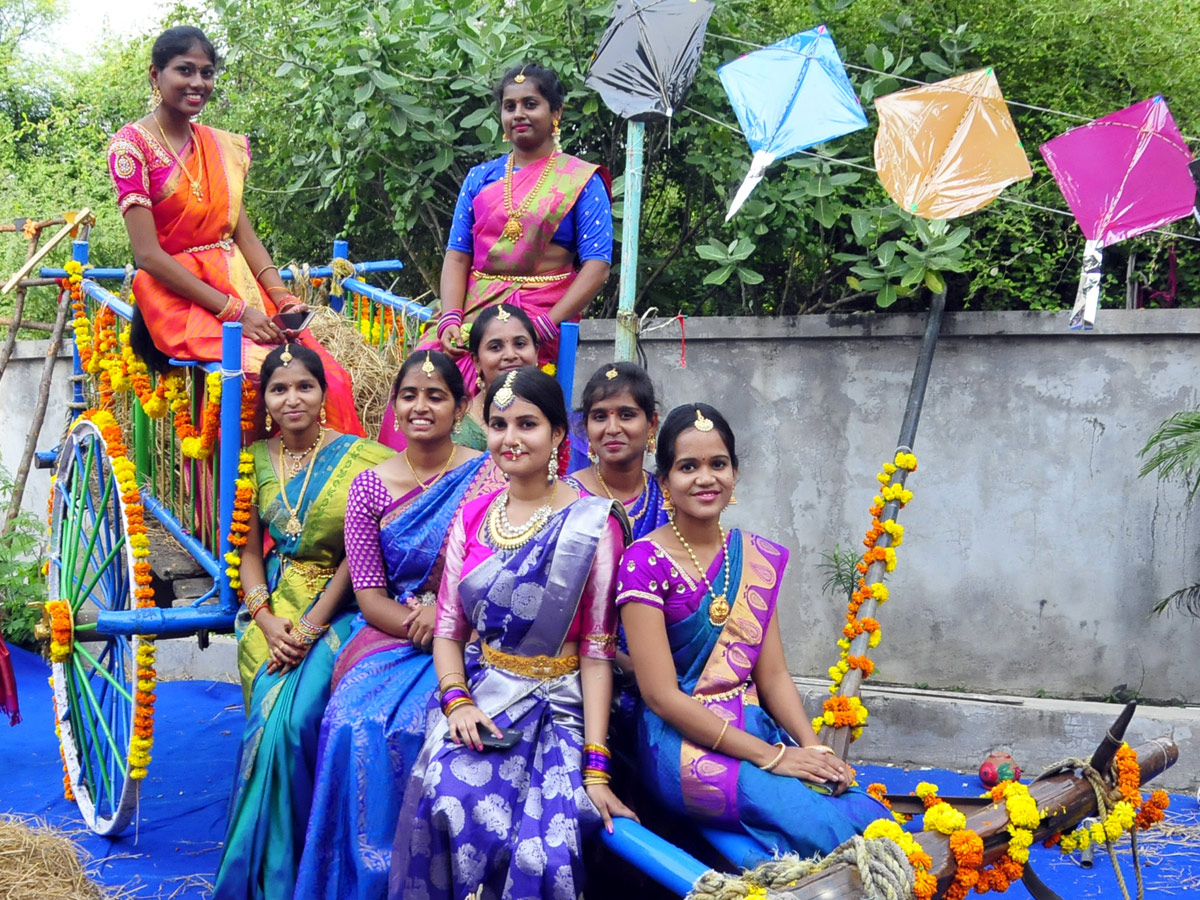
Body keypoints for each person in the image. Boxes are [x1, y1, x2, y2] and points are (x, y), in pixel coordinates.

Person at [389, 367, 636, 900]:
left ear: (557, 438)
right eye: (499, 424)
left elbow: (597, 653)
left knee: (545, 847)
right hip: (486, 693)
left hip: (562, 704)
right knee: (445, 794)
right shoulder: (474, 515)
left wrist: (596, 769)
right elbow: (450, 630)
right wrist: (456, 703)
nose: (510, 438)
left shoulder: (594, 522)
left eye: (527, 424)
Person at [617, 404, 887, 858]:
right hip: (678, 742)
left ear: (735, 475)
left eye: (717, 464)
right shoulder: (642, 562)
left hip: (751, 726)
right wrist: (774, 757)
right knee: (816, 824)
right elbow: (662, 695)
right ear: (664, 483)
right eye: (688, 467)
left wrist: (812, 747)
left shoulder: (753, 558)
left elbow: (773, 676)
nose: (706, 478)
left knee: (864, 814)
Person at [294, 351, 505, 900]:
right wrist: (425, 624)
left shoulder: (487, 474)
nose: (420, 406)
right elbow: (368, 595)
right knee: (349, 721)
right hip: (391, 633)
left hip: (473, 632)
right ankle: (359, 884)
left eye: (436, 396)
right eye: (409, 395)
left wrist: (450, 621)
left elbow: (495, 567)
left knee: (438, 726)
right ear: (395, 405)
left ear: (461, 408)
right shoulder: (368, 487)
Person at [107, 26, 361, 436]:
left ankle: (312, 486)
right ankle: (236, 493)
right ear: (156, 75)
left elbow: (244, 236)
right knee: (253, 380)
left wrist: (280, 297)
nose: (197, 83)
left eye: (206, 73)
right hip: (178, 296)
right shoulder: (130, 147)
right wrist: (236, 313)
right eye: (184, 70)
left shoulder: (220, 147)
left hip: (238, 283)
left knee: (322, 376)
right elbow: (147, 256)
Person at [213, 344, 391, 900]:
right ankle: (265, 866)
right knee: (268, 712)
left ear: (323, 394)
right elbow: (245, 547)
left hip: (343, 601)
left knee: (294, 723)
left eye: (304, 387)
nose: (292, 398)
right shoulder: (254, 457)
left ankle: (302, 862)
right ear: (265, 400)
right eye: (279, 388)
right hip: (272, 602)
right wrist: (264, 619)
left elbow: (357, 555)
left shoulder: (364, 457)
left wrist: (311, 626)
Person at [430, 63, 613, 391]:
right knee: (425, 378)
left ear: (555, 112)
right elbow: (457, 257)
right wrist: (451, 317)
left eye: (531, 104)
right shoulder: (480, 178)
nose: (519, 114)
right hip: (476, 309)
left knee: (523, 398)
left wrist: (547, 323)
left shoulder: (582, 180)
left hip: (542, 316)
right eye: (509, 106)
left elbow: (597, 267)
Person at [380, 303, 538, 451]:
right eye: (495, 347)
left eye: (520, 344)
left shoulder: (549, 408)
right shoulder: (462, 431)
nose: (510, 355)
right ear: (476, 361)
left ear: (536, 353)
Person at [567, 361, 668, 540]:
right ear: (586, 427)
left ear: (651, 424)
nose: (612, 429)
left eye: (626, 415)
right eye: (600, 417)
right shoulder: (565, 497)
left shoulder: (667, 498)